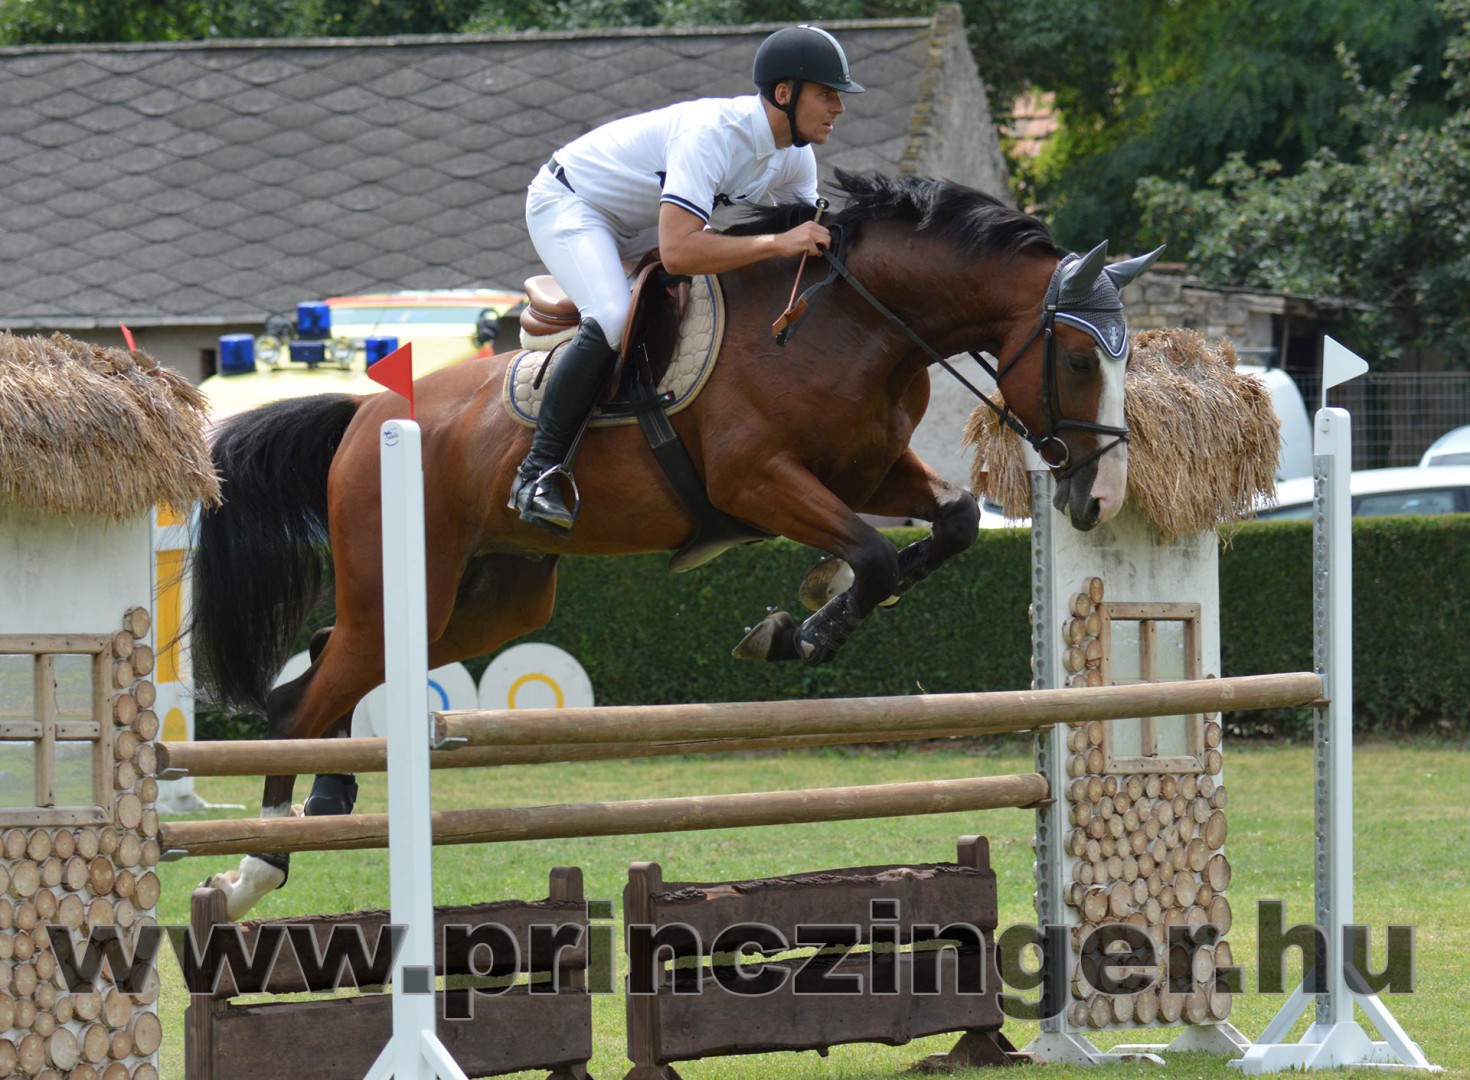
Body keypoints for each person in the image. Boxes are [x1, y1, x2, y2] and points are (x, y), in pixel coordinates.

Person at [510, 24, 864, 534]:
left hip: (640, 223)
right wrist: (776, 242)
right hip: (572, 203)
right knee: (611, 317)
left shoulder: (795, 156)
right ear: (784, 94)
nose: (839, 108)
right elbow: (680, 253)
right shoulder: (712, 135)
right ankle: (536, 473)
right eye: (827, 94)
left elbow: (804, 249)